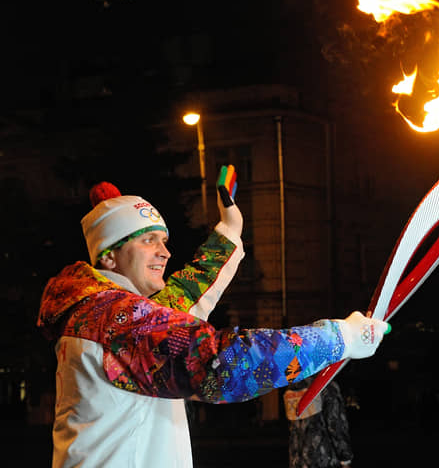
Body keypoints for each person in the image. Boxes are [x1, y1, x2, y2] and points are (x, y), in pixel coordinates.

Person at [37, 174, 389, 468]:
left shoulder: (106, 310)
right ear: (110, 257)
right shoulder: (116, 322)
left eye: (164, 239)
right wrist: (339, 337)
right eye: (148, 241)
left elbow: (188, 291)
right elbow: (224, 364)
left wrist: (230, 231)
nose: (165, 251)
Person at [284, 375, 354, 468]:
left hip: (297, 460)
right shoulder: (326, 386)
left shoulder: (292, 388)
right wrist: (345, 458)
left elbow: (293, 428)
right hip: (323, 459)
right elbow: (335, 425)